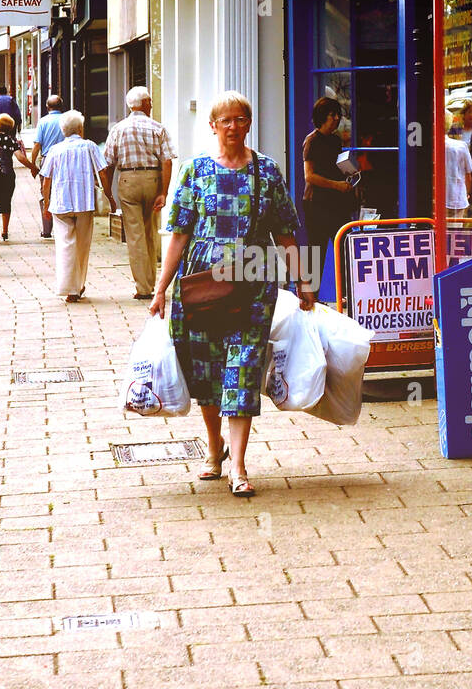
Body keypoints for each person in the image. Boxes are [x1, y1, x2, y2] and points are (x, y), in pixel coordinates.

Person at [150, 91, 315, 499]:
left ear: (249, 123)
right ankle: (213, 447)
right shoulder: (194, 172)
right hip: (201, 283)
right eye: (226, 120)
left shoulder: (268, 171)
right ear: (213, 126)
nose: (234, 127)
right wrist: (160, 289)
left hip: (253, 283)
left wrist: (304, 281)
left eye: (241, 119)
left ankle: (238, 466)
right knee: (204, 372)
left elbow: (286, 234)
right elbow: (179, 234)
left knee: (241, 370)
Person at [103, 86, 178, 299]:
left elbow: (107, 163)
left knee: (135, 235)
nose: (151, 105)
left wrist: (109, 193)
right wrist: (163, 192)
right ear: (144, 104)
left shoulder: (118, 129)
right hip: (153, 179)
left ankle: (143, 287)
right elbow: (167, 161)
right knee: (150, 231)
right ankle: (151, 283)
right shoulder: (157, 128)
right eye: (150, 102)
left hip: (128, 179)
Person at [41, 110, 116, 302]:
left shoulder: (54, 150)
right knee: (82, 245)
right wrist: (109, 196)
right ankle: (78, 285)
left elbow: (46, 180)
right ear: (80, 129)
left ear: (63, 130)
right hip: (84, 203)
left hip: (60, 203)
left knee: (65, 245)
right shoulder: (90, 146)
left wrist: (46, 203)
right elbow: (103, 172)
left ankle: (69, 288)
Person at [302, 96, 355, 290]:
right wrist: (336, 185)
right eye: (334, 115)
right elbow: (310, 176)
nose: (337, 119)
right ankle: (311, 297)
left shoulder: (335, 140)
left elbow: (336, 166)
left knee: (343, 247)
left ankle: (346, 294)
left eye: (339, 115)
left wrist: (350, 171)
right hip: (316, 204)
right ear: (324, 116)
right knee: (317, 251)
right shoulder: (312, 141)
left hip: (336, 203)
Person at [0, 113, 30, 242]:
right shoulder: (11, 140)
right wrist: (32, 167)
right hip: (7, 174)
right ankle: (5, 231)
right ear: (10, 127)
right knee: (6, 201)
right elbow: (20, 157)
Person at [30, 95, 65, 237]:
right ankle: (63, 227)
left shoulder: (43, 122)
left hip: (47, 159)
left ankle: (46, 230)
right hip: (64, 159)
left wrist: (32, 164)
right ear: (61, 106)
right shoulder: (66, 120)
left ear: (47, 106)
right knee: (63, 190)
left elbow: (37, 144)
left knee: (46, 192)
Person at [445, 110, 472, 218]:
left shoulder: (433, 147)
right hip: (458, 198)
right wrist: (466, 195)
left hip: (439, 199)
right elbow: (468, 175)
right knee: (456, 232)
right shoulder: (461, 146)